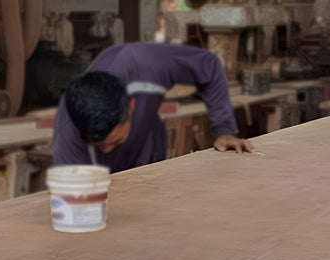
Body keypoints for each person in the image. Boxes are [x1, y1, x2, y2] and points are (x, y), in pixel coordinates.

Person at [53, 43, 254, 172]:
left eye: (114, 140)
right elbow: (75, 198)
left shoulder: (146, 64)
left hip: (147, 156)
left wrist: (224, 130)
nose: (106, 149)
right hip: (98, 174)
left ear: (131, 105)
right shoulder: (69, 131)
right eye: (99, 144)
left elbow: (208, 66)